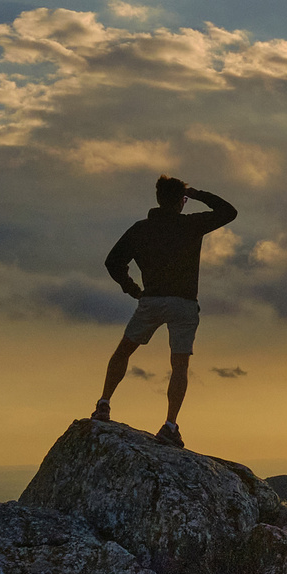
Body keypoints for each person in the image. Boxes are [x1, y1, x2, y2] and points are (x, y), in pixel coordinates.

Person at [93, 176, 237, 447]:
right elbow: (229, 212)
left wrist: (132, 289)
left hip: (152, 300)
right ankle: (169, 425)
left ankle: (104, 404)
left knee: (124, 350)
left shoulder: (140, 229)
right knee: (179, 365)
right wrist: (196, 193)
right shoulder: (191, 225)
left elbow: (113, 262)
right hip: (183, 303)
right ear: (181, 201)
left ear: (158, 199)